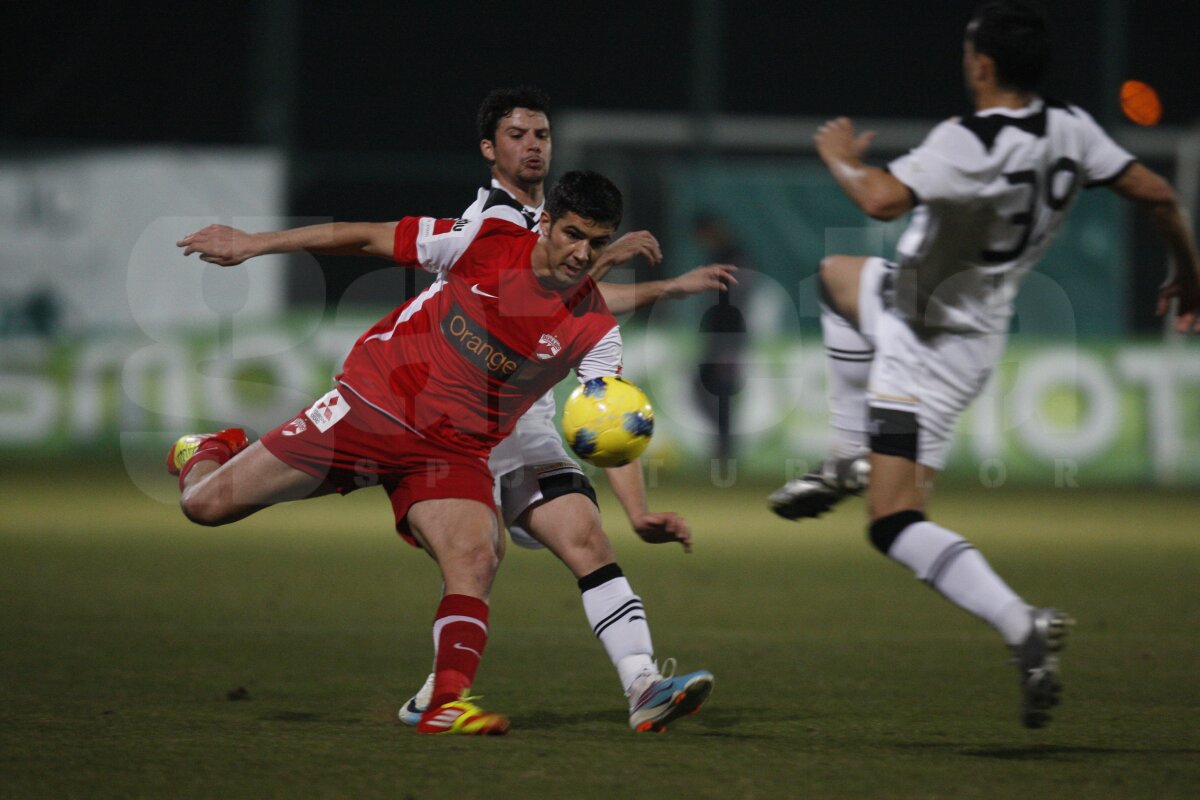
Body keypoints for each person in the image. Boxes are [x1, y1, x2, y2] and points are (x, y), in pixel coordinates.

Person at [768, 0, 1200, 729]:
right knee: (838, 277)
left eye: (969, 50)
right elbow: (1157, 194)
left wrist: (838, 152)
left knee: (895, 520)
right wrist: (1189, 273)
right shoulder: (1071, 128)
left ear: (983, 64)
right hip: (954, 317)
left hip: (927, 344)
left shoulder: (969, 141)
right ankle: (844, 457)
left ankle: (1019, 623)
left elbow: (877, 198)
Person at [174, 165, 727, 734]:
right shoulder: (485, 240)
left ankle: (446, 704)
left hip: (449, 454)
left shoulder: (595, 327)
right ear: (546, 226)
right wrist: (254, 244)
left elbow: (611, 419)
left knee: (476, 555)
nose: (583, 253)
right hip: (372, 409)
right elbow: (362, 236)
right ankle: (209, 449)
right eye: (573, 235)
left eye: (598, 243)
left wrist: (637, 511)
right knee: (205, 507)